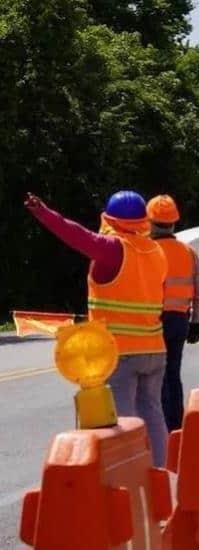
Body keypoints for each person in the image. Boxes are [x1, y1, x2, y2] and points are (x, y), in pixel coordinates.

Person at [25, 191, 169, 467]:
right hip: (154, 349)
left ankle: (131, 479)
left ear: (110, 219)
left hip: (120, 353)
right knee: (152, 413)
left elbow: (76, 235)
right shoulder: (156, 251)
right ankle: (160, 474)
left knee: (123, 422)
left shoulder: (113, 249)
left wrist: (43, 213)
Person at [146, 194, 199, 431]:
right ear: (174, 222)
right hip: (180, 320)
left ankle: (162, 429)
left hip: (155, 321)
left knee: (156, 378)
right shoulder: (188, 252)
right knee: (173, 372)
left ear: (149, 222)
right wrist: (195, 323)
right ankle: (177, 427)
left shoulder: (148, 251)